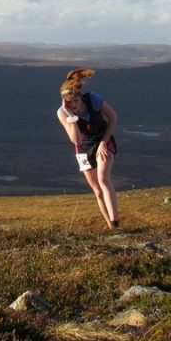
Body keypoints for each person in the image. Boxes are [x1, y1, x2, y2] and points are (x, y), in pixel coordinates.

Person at [56, 68, 120, 229]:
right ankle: (111, 227)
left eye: (76, 101)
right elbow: (76, 141)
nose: (74, 105)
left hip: (103, 140)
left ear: (80, 96)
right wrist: (71, 117)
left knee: (103, 179)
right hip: (83, 148)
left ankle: (116, 222)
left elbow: (113, 117)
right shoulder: (62, 113)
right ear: (64, 101)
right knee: (97, 190)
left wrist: (104, 142)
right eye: (70, 102)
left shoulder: (93, 99)